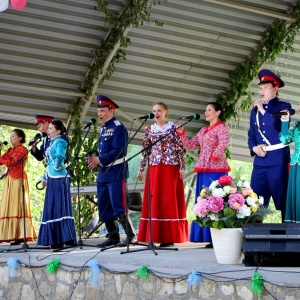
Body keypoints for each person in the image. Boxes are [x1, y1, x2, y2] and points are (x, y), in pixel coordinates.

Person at [177, 102, 230, 246]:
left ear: (218, 112)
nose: (206, 112)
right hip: (203, 168)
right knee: (203, 200)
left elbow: (224, 142)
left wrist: (215, 154)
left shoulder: (221, 127)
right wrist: (182, 133)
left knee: (215, 200)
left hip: (216, 168)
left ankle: (216, 236)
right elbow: (190, 145)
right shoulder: (203, 130)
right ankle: (205, 235)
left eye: (209, 110)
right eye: (205, 110)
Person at [87, 95, 137, 248]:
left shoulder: (118, 127)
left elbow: (120, 150)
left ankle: (130, 235)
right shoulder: (104, 128)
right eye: (98, 111)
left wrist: (100, 160)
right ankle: (113, 235)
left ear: (111, 110)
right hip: (104, 172)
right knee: (104, 204)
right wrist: (94, 155)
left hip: (116, 171)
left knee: (118, 204)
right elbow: (104, 149)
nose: (99, 114)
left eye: (102, 111)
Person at [137, 102, 188, 247]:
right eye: (154, 111)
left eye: (159, 110)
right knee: (154, 199)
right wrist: (141, 169)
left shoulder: (174, 127)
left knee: (168, 199)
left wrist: (182, 167)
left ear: (166, 111)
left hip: (170, 166)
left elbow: (180, 148)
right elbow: (145, 150)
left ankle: (168, 237)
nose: (156, 113)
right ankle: (153, 235)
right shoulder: (149, 129)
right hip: (154, 166)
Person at [248, 69, 291, 221]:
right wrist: (254, 148)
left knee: (283, 198)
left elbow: (276, 130)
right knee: (255, 201)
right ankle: (255, 235)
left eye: (265, 87)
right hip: (260, 160)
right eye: (260, 88)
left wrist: (261, 110)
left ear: (275, 88)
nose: (262, 91)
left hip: (277, 159)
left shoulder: (283, 106)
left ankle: (289, 233)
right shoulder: (254, 110)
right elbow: (251, 133)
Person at [37, 120, 77, 249]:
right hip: (52, 177)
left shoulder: (60, 142)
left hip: (60, 177)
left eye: (50, 129)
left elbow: (60, 156)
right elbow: (49, 162)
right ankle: (55, 239)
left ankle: (65, 238)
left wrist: (58, 166)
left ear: (58, 131)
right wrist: (44, 177)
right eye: (48, 129)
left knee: (60, 206)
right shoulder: (52, 143)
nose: (48, 131)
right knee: (52, 206)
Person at [0, 129, 37, 245]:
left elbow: (11, 161)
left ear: (20, 138)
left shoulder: (23, 150)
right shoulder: (10, 150)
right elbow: (2, 161)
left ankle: (20, 234)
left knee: (17, 204)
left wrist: (3, 157)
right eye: (10, 136)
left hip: (18, 178)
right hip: (9, 179)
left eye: (13, 136)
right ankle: (11, 234)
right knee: (8, 204)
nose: (10, 138)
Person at [279, 104, 300, 222]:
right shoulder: (297, 125)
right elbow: (284, 139)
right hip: (295, 165)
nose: (299, 106)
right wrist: (285, 121)